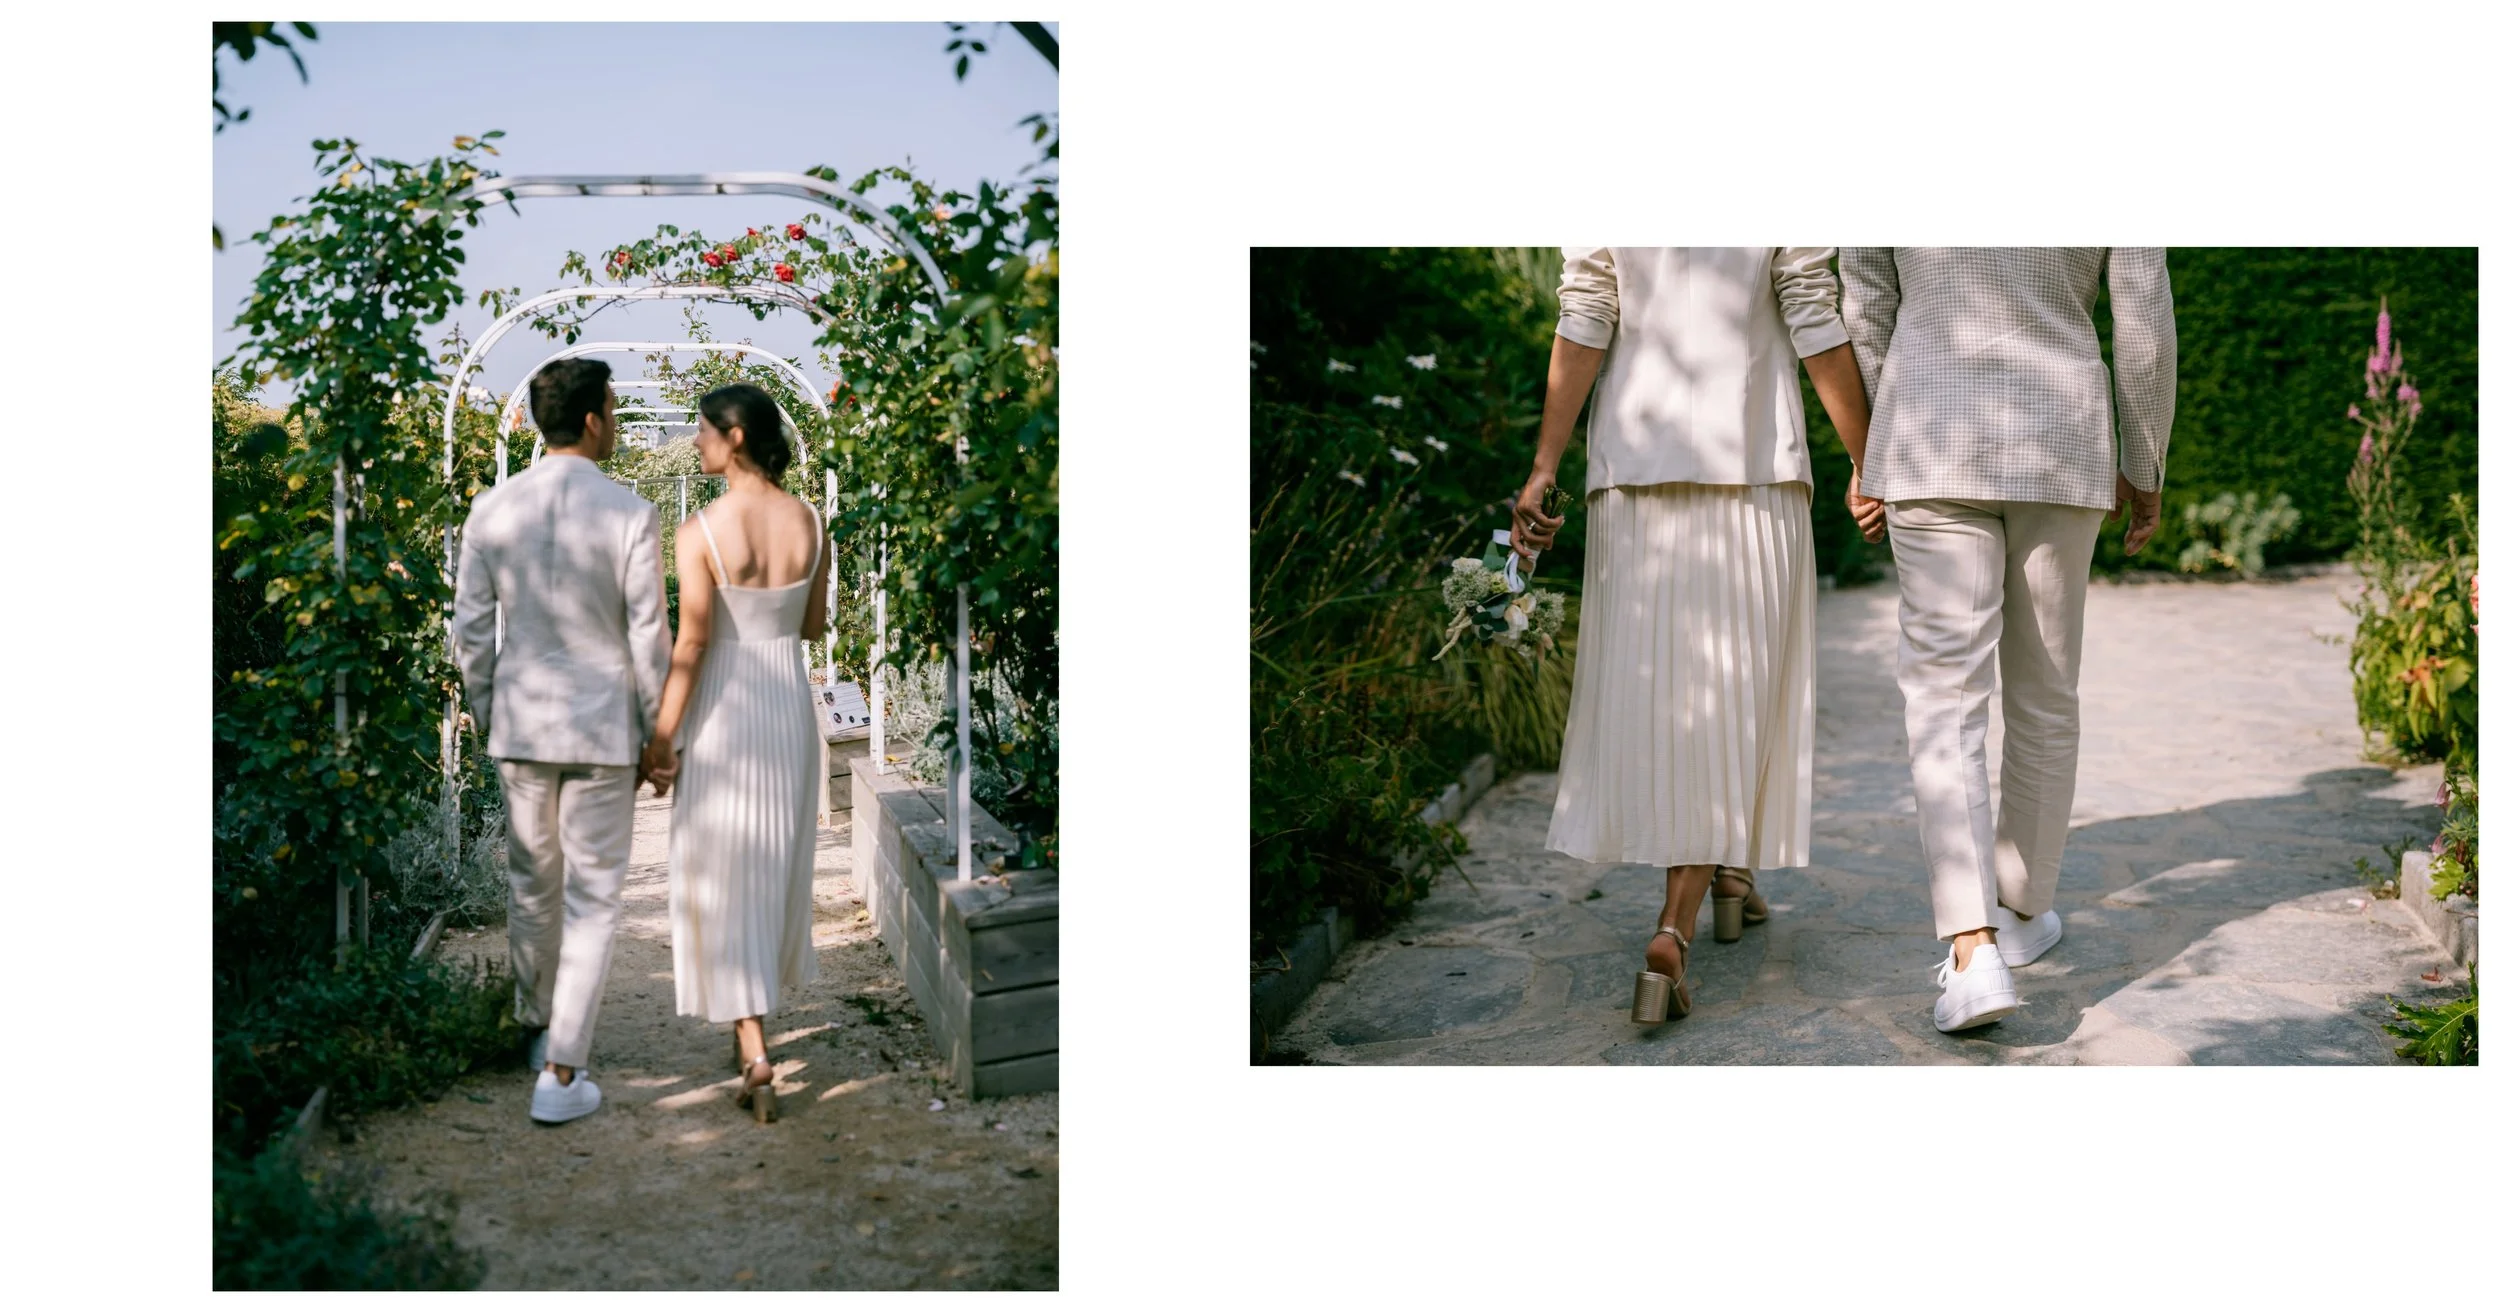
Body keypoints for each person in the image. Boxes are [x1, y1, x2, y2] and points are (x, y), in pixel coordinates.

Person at [1513, 247, 1886, 1026]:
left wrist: (1544, 464)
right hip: (1750, 465)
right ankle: (1673, 928)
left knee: (1682, 693)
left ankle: (1731, 876)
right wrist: (1866, 456)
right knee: (1734, 687)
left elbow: (1585, 311)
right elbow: (1812, 311)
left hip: (1632, 470)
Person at [1838, 247, 2175, 1032]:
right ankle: (2021, 911)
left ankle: (1972, 945)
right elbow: (2143, 317)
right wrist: (2144, 457)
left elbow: (1864, 301)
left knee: (1944, 694)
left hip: (1929, 435)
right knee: (2046, 694)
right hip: (2061, 438)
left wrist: (1875, 445)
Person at [452, 356, 671, 1124]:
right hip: (603, 726)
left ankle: (536, 1026)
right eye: (614, 407)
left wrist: (489, 713)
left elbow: (472, 633)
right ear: (591, 419)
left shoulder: (492, 508)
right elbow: (649, 636)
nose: (617, 420)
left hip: (521, 721)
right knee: (593, 895)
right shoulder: (629, 512)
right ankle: (563, 1068)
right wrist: (656, 734)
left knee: (530, 884)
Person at [641, 383, 831, 1124]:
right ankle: (748, 1027)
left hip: (723, 705)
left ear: (737, 435)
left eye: (703, 430)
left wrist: (662, 737)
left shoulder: (699, 533)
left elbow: (691, 642)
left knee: (724, 869)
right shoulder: (812, 520)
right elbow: (812, 625)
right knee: (770, 864)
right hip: (785, 702)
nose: (696, 442)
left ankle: (754, 1048)